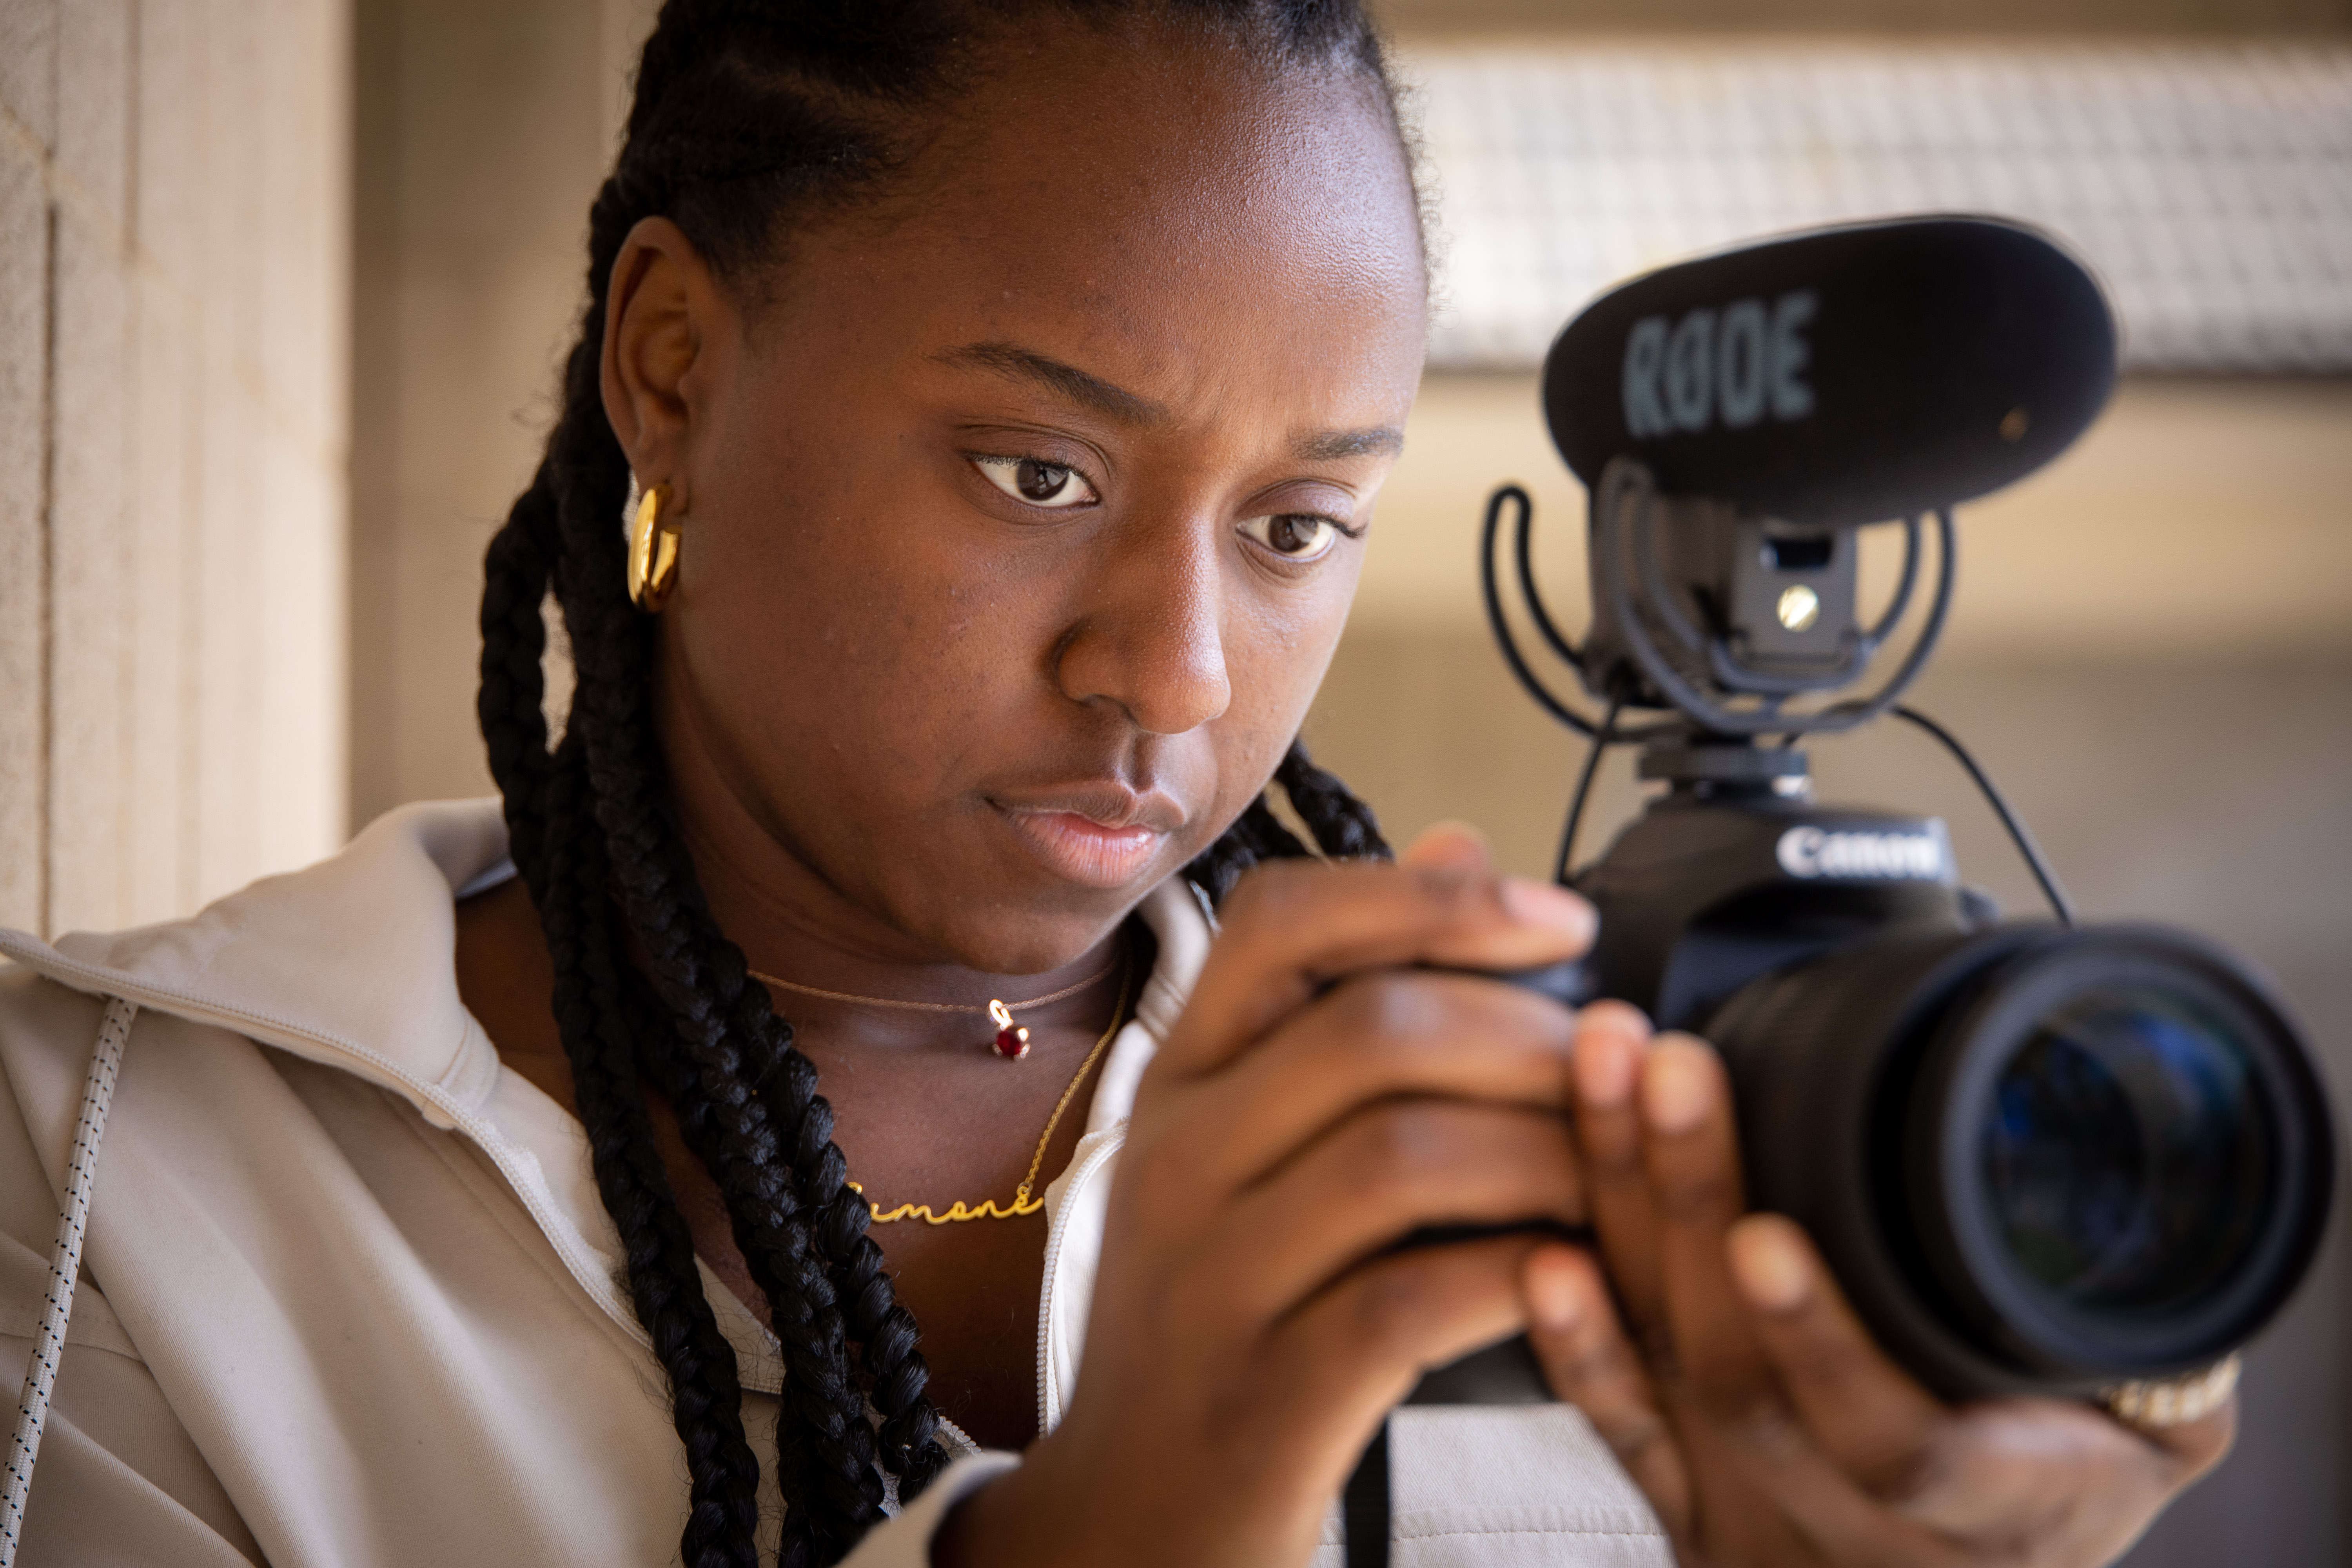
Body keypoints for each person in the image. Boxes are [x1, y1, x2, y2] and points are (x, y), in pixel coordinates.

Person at [0, 2, 2233, 1564]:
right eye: (1037, 467)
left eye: (1296, 528)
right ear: (672, 365)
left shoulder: (1601, 1165)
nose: (1169, 669)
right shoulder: (112, 1164)